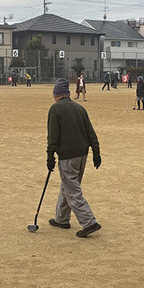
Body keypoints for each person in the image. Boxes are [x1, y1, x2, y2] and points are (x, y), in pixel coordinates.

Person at [46, 78, 102, 238]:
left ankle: (89, 221)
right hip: (83, 154)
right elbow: (91, 133)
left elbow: (53, 136)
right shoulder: (80, 108)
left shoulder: (55, 109)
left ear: (56, 95)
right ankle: (62, 218)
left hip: (68, 156)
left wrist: (50, 156)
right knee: (68, 186)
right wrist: (96, 153)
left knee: (72, 190)